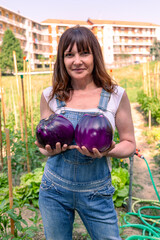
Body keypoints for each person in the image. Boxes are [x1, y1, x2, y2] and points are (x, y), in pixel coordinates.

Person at [35, 25, 136, 240]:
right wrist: (48, 150)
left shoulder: (115, 95)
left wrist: (107, 151)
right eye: (69, 54)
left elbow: (129, 143)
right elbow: (45, 148)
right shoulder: (50, 95)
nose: (77, 61)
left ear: (95, 56)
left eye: (84, 53)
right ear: (62, 60)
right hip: (54, 189)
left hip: (96, 192)